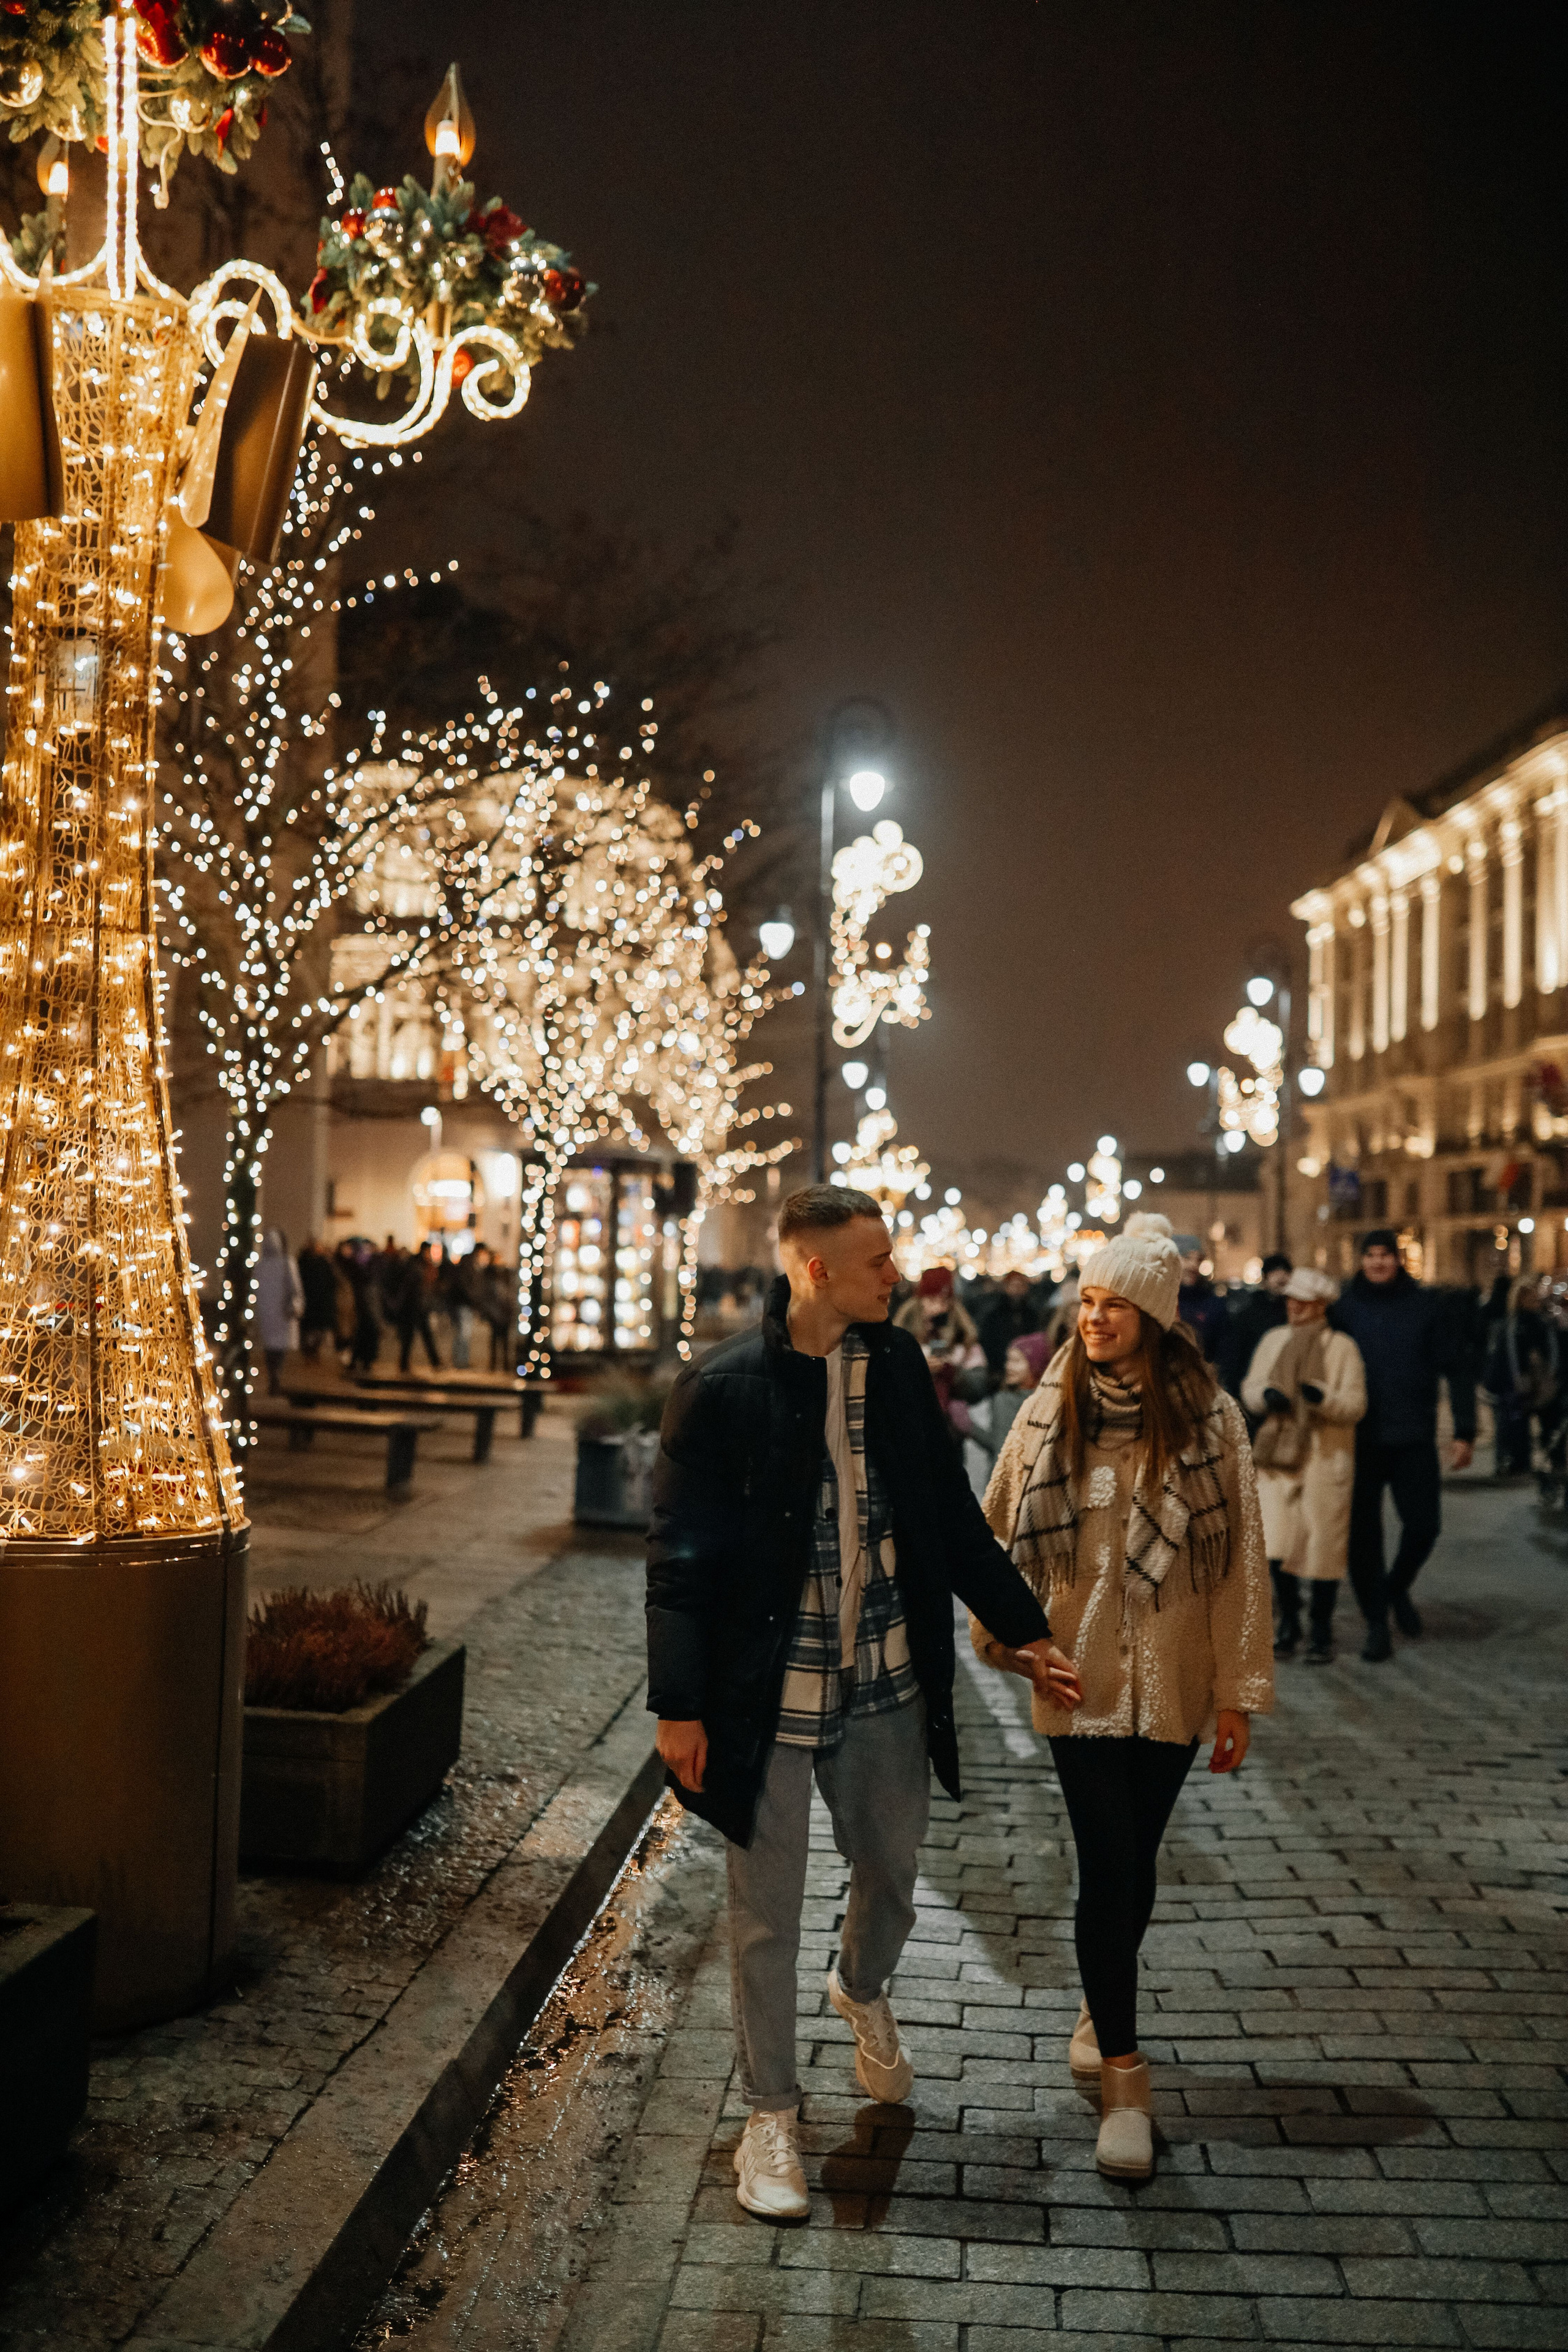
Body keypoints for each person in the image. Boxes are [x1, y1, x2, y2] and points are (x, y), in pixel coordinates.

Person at [646, 1185, 1077, 2223]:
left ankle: (862, 1986)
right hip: (767, 1686)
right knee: (765, 1914)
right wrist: (680, 1705)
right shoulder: (722, 1385)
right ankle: (771, 2118)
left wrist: (1024, 1631)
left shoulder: (897, 1370)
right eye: (877, 1261)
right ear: (815, 1270)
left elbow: (949, 1519)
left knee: (892, 1869)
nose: (897, 1275)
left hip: (884, 1668)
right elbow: (679, 1558)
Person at [971, 1210, 1272, 2184]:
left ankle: (1101, 2004)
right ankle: (1127, 2084)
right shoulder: (1047, 1411)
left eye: (1115, 1305)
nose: (1094, 1318)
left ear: (1155, 1316)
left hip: (1176, 1682)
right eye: (1087, 1301)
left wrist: (1238, 1693)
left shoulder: (1212, 1423)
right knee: (1107, 1865)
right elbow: (992, 1538)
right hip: (1081, 1677)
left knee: (1135, 1863)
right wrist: (1017, 1642)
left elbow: (1241, 1567)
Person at [1332, 1229, 1476, 1661]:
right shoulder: (1343, 1309)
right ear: (1361, 1260)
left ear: (1398, 1260)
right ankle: (1377, 1623)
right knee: (1363, 1536)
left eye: (1385, 1255)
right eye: (1370, 1255)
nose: (1378, 1263)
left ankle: (1395, 1588)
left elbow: (1457, 1367)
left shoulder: (1425, 1306)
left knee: (1424, 1525)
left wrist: (1465, 1431)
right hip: (1358, 1437)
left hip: (1413, 1434)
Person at [1242, 1267, 1366, 1664]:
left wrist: (1322, 1399)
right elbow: (1251, 1386)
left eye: (1303, 1301)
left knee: (1322, 1548)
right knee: (1278, 1544)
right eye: (1291, 1300)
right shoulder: (1274, 1340)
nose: (1294, 1307)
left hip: (1324, 1460)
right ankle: (1290, 1621)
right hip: (1277, 1459)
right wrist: (1266, 1397)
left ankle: (1321, 1628)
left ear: (1321, 1305)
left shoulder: (1342, 1347)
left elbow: (1355, 1405)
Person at [1483, 1274, 1559, 1478]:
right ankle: (1518, 1461)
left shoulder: (1542, 1324)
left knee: (1547, 1424)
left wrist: (1550, 1374)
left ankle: (1549, 1460)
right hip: (1516, 1384)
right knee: (1515, 1425)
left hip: (1540, 1382)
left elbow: (1552, 1351)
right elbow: (1508, 1355)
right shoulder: (1513, 1326)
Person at [963, 1329, 1051, 1498]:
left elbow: (1002, 1450)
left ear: (1037, 1363)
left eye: (1017, 1361)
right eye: (1008, 1360)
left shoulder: (1005, 1400)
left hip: (1007, 1492)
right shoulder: (1050, 1399)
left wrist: (968, 1426)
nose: (1008, 1367)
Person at [1221, 1252, 1292, 1396]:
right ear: (1265, 1278)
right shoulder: (1250, 1312)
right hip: (1254, 1382)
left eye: (1285, 1272)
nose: (1281, 1277)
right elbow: (1237, 1353)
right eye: (1274, 1272)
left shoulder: (1294, 1310)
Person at [255, 1227, 303, 1395]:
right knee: (274, 1349)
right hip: (274, 1314)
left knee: (275, 1349)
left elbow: (294, 1288)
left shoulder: (274, 1265)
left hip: (276, 1314)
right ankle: (275, 1377)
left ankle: (275, 1377)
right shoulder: (273, 1265)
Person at [1174, 1235, 1227, 1363]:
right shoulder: (1160, 1302)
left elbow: (1224, 1351)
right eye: (1187, 1258)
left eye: (1199, 1260)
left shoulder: (1213, 1304)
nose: (1194, 1265)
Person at [394, 1240, 443, 1374]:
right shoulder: (417, 1265)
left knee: (420, 1336)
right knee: (413, 1337)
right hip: (414, 1306)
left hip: (420, 1305)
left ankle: (433, 1362)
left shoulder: (423, 1264)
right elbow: (411, 1287)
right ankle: (431, 1362)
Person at [979, 1270, 1040, 1373]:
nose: (1017, 1290)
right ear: (1006, 1287)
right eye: (1014, 1286)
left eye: (1021, 1286)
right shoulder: (994, 1316)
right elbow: (988, 1343)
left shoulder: (1033, 1315)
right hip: (999, 1368)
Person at [296, 1237, 338, 1362]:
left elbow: (331, 1282)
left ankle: (313, 1351)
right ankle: (309, 1352)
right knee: (309, 1329)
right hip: (310, 1301)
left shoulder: (322, 1263)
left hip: (320, 1302)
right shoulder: (304, 1262)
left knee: (317, 1330)